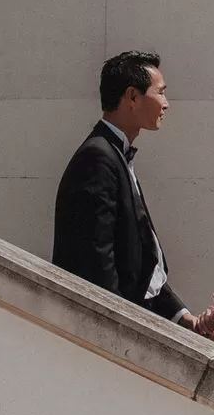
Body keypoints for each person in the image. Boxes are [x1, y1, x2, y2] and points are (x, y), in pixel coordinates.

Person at [51, 51, 191, 326]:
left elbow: (143, 260)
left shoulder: (113, 153)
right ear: (132, 97)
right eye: (160, 93)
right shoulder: (98, 157)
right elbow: (97, 259)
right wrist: (121, 329)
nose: (166, 104)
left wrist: (184, 318)